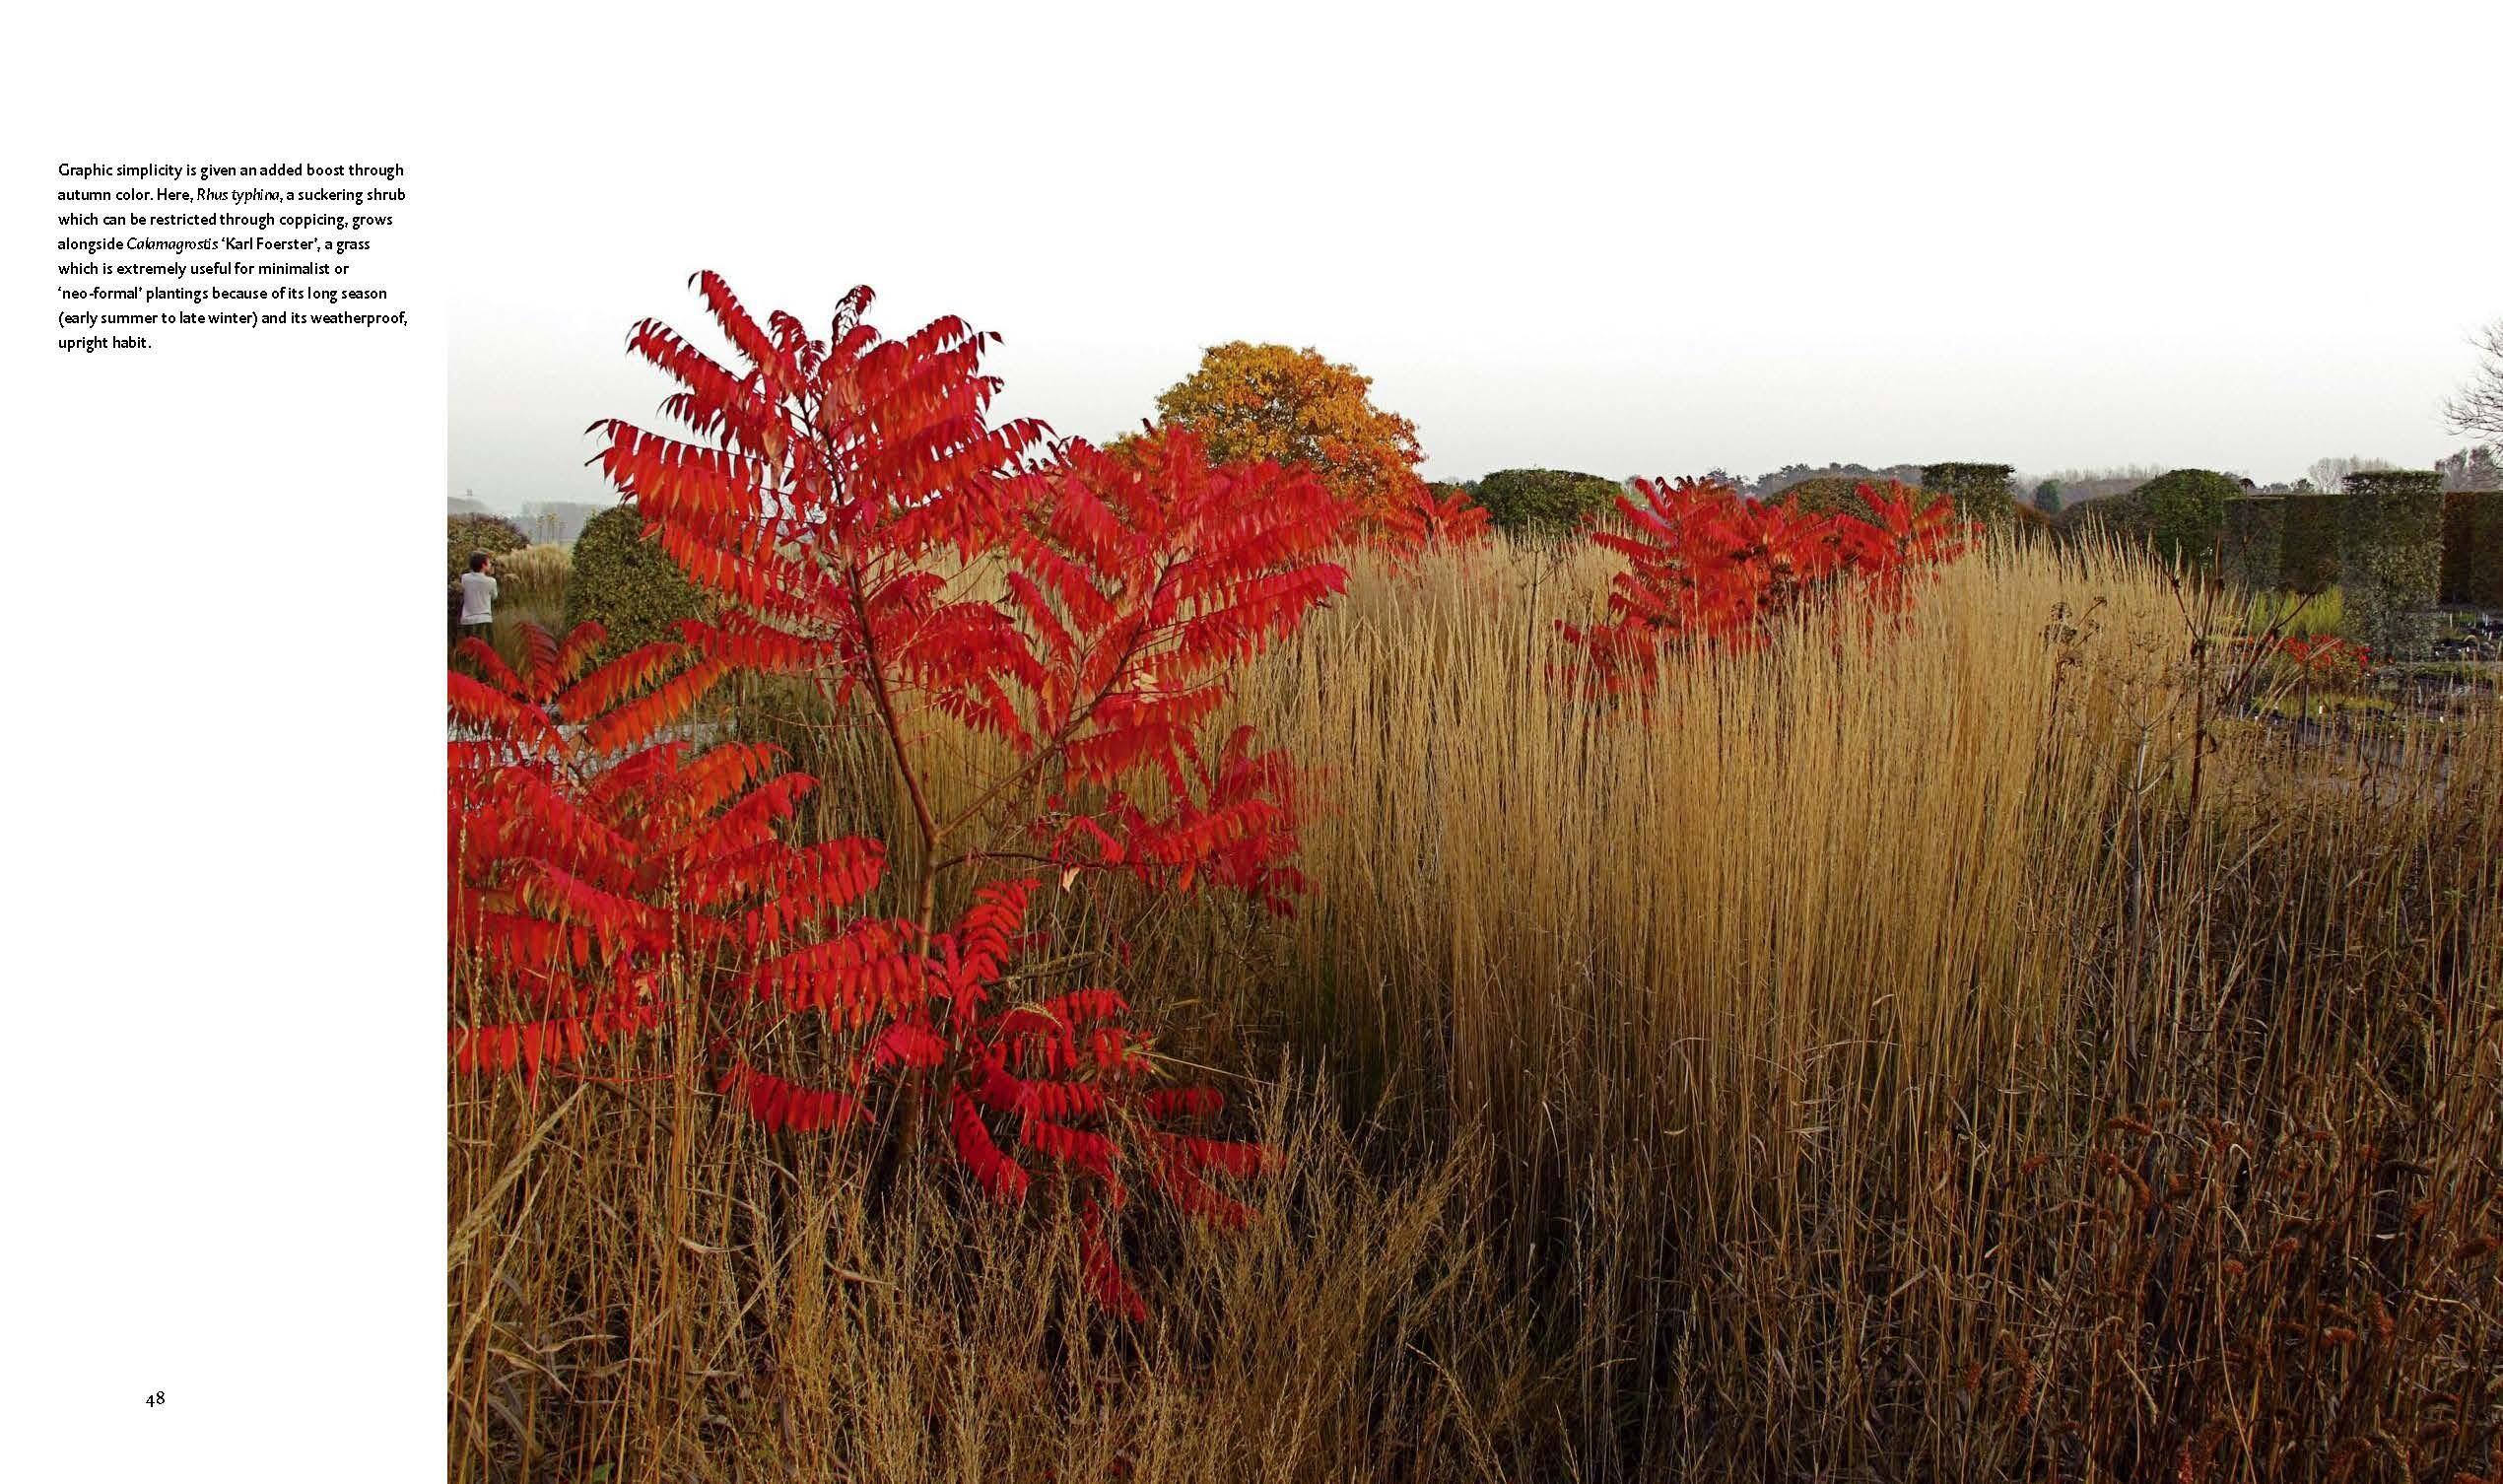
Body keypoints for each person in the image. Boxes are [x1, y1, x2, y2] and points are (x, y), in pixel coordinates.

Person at [454, 552, 499, 648]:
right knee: (487, 652)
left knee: (470, 650)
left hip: (467, 620)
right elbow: (494, 597)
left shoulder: (464, 578)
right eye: (489, 563)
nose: (491, 564)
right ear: (483, 565)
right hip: (484, 620)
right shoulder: (491, 581)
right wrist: (490, 575)